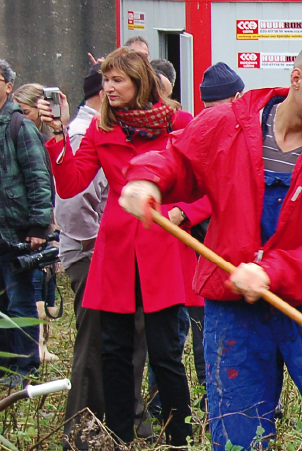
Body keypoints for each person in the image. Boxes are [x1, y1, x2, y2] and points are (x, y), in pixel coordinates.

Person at [120, 34, 302, 450]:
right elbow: (178, 159)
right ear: (296, 78)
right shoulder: (227, 122)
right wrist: (147, 180)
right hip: (233, 309)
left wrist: (269, 272)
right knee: (237, 433)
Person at [38, 47, 194, 447]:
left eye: (117, 80)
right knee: (114, 352)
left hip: (162, 245)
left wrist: (182, 213)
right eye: (105, 80)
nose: (108, 87)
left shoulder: (179, 122)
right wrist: (57, 137)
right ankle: (120, 435)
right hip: (117, 251)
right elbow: (72, 184)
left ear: (140, 82)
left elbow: (206, 188)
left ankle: (180, 437)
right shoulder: (101, 128)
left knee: (165, 352)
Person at [55, 63, 109, 448]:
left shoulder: (99, 129)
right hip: (90, 255)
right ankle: (79, 433)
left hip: (100, 254)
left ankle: (101, 426)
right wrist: (97, 247)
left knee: (106, 344)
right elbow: (73, 205)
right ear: (103, 92)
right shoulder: (81, 133)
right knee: (92, 345)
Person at [0, 59, 52, 384]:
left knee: (19, 302)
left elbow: (38, 177)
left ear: (8, 86)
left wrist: (38, 227)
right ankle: (5, 366)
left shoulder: (19, 125)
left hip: (17, 232)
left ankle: (23, 368)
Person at [11, 84, 59, 364]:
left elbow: (40, 183)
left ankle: (32, 354)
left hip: (37, 227)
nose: (22, 116)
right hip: (27, 225)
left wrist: (40, 226)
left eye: (26, 111)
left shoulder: (33, 136)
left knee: (33, 293)